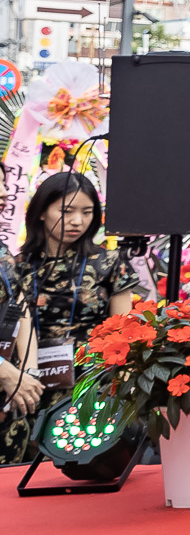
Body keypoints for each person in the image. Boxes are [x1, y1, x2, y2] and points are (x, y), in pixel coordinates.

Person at [1, 172, 147, 468]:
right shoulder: (17, 266)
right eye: (66, 211)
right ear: (41, 212)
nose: (77, 221)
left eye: (87, 212)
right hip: (25, 384)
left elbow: (123, 334)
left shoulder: (109, 264)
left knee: (79, 470)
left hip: (87, 383)